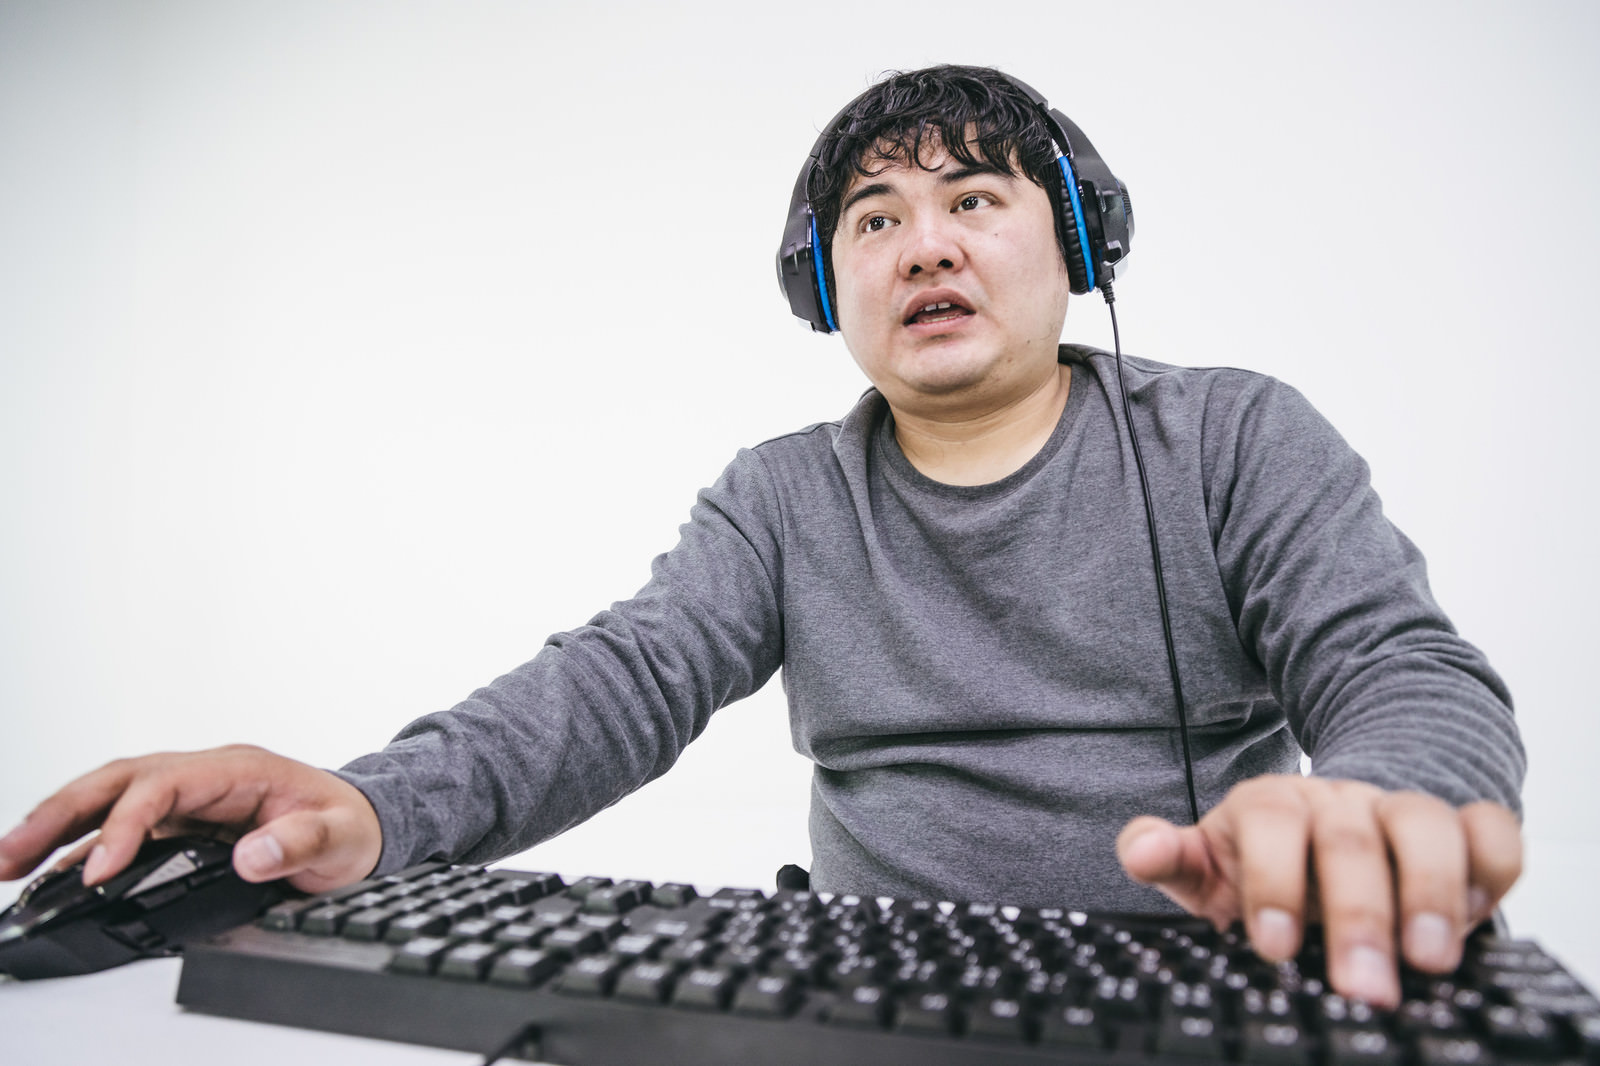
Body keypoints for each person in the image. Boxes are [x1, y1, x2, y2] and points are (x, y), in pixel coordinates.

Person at [0, 65, 1523, 1009]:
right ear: (827, 286)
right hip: (870, 1002)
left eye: (974, 198)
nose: (924, 243)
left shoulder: (1237, 435)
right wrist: (365, 802)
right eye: (874, 218)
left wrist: (1385, 810)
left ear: (1076, 243)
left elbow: (1398, 666)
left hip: (1195, 988)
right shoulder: (785, 494)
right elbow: (618, 683)